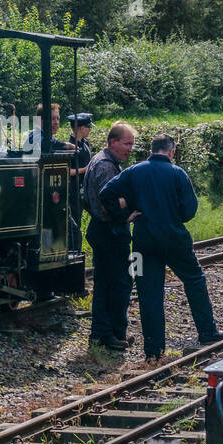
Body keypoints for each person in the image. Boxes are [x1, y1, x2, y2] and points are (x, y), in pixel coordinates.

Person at [100, 133, 222, 363]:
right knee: (194, 279)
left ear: (151, 150)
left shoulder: (134, 171)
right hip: (174, 238)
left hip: (143, 240)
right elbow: (189, 210)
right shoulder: (177, 173)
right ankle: (207, 331)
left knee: (149, 294)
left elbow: (105, 193)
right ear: (171, 152)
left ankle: (153, 351)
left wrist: (126, 213)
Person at [83, 121, 136, 353]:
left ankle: (107, 332)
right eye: (127, 143)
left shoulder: (101, 160)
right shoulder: (106, 166)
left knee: (106, 283)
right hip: (110, 231)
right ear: (113, 142)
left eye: (132, 144)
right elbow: (110, 202)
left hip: (103, 230)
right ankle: (110, 334)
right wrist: (128, 209)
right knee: (117, 283)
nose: (130, 148)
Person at [67, 113, 93, 251]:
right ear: (81, 128)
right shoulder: (70, 146)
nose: (90, 130)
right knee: (75, 223)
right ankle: (74, 251)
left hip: (85, 188)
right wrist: (86, 169)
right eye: (88, 127)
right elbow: (67, 170)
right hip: (74, 189)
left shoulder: (85, 143)